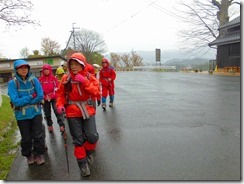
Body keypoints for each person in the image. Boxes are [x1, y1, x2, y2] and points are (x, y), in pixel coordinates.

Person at [56, 52, 100, 177]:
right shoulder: (66, 78)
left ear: (82, 65)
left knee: (92, 136)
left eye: (77, 64)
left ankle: (89, 151)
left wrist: (84, 81)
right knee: (78, 140)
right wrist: (59, 105)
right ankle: (83, 164)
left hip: (87, 110)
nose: (74, 67)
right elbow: (60, 94)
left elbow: (96, 92)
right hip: (72, 111)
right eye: (72, 64)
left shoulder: (89, 77)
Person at [8, 59, 46, 165]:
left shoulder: (34, 80)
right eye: (21, 68)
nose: (24, 70)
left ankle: (38, 154)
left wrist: (26, 100)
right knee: (26, 137)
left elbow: (40, 96)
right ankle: (28, 155)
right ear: (16, 69)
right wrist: (30, 96)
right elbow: (16, 101)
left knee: (39, 135)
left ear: (28, 69)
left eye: (25, 67)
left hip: (35, 112)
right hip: (21, 115)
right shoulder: (13, 83)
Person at [39, 64, 65, 133]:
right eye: (44, 70)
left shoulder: (54, 78)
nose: (46, 71)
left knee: (57, 111)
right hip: (45, 98)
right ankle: (49, 125)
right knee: (47, 113)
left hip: (54, 97)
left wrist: (52, 96)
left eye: (47, 69)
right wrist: (45, 97)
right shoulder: (41, 79)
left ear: (50, 70)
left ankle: (61, 125)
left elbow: (57, 88)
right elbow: (39, 90)